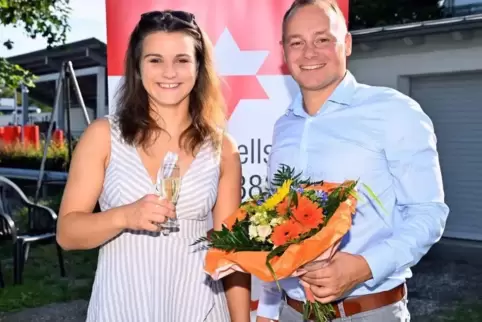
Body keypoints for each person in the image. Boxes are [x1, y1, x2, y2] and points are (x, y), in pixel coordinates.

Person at [256, 0, 449, 321]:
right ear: (284, 51)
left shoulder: (393, 111)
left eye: (322, 39)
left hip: (367, 311)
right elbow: (281, 226)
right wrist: (268, 306)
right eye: (297, 42)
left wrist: (365, 267)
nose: (309, 52)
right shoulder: (284, 126)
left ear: (346, 44)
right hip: (290, 312)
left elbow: (428, 214)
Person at [56, 10, 251, 322]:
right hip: (122, 308)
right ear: (137, 66)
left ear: (199, 66)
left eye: (182, 60)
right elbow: (67, 233)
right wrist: (124, 216)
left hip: (200, 310)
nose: (169, 72)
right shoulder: (104, 136)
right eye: (155, 59)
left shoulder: (222, 148)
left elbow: (233, 254)